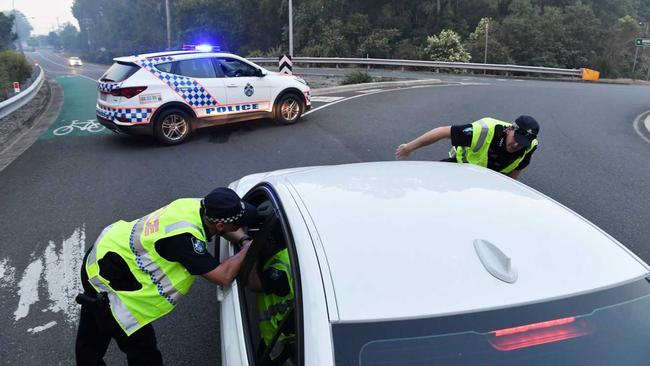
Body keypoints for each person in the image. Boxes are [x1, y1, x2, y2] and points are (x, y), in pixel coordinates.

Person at [75, 187, 258, 366]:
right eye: (238, 224)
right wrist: (248, 249)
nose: (240, 227)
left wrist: (243, 239)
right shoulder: (185, 241)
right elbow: (223, 276)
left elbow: (225, 226)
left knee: (91, 335)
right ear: (219, 225)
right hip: (112, 287)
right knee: (143, 350)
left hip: (105, 255)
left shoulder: (197, 206)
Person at [395, 115, 540, 180]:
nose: (516, 145)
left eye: (522, 143)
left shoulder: (530, 146)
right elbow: (442, 132)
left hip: (492, 179)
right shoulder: (484, 130)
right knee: (431, 180)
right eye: (516, 139)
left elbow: (516, 170)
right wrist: (409, 148)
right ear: (509, 129)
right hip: (460, 167)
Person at [246, 222, 295, 366]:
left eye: (261, 240)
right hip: (285, 328)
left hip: (279, 336)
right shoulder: (288, 253)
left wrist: (252, 253)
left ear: (271, 241)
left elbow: (253, 283)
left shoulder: (279, 270)